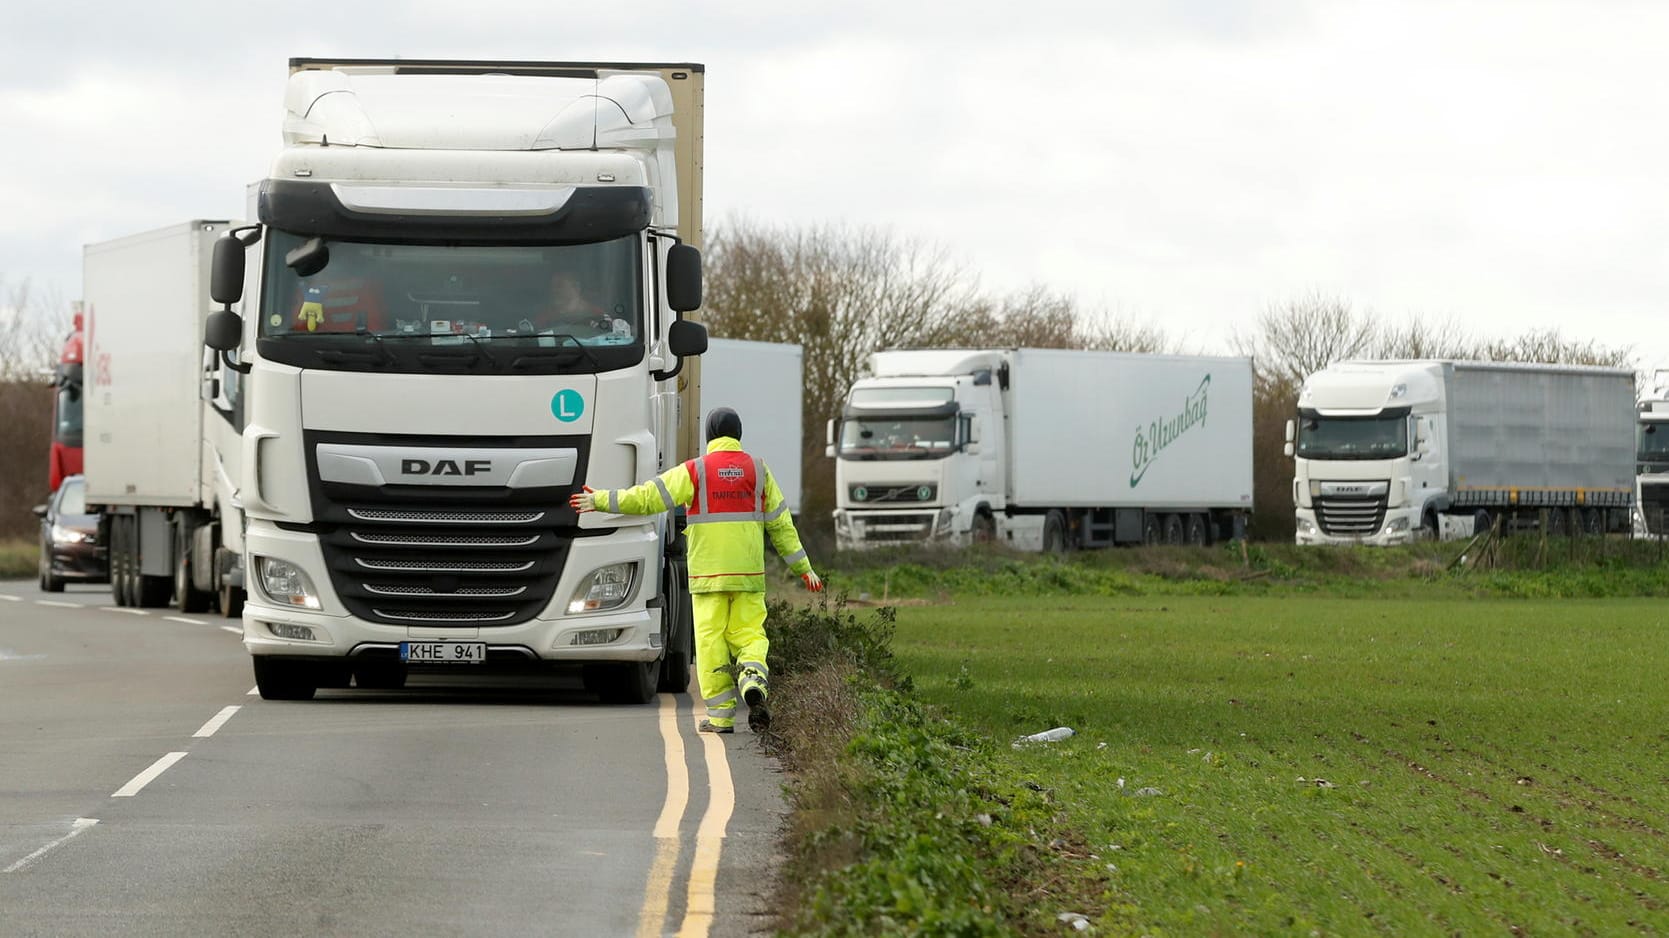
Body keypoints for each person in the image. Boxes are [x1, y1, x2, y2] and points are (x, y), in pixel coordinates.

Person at [569, 407, 823, 733]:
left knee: (710, 644)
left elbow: (648, 498)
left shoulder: (695, 471)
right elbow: (782, 525)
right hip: (747, 577)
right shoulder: (759, 471)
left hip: (708, 578)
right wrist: (804, 568)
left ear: (709, 436)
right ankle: (752, 678)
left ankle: (720, 718)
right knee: (750, 635)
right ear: (738, 434)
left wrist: (602, 500)